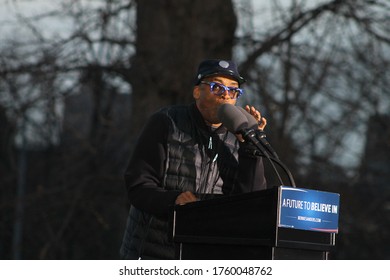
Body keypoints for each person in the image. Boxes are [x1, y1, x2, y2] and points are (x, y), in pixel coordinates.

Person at [120, 59, 268, 260]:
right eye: (217, 87)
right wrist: (173, 201)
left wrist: (250, 145)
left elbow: (250, 205)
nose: (225, 94)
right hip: (153, 254)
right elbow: (137, 185)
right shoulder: (167, 121)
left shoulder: (239, 138)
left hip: (205, 255)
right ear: (197, 92)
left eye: (233, 91)